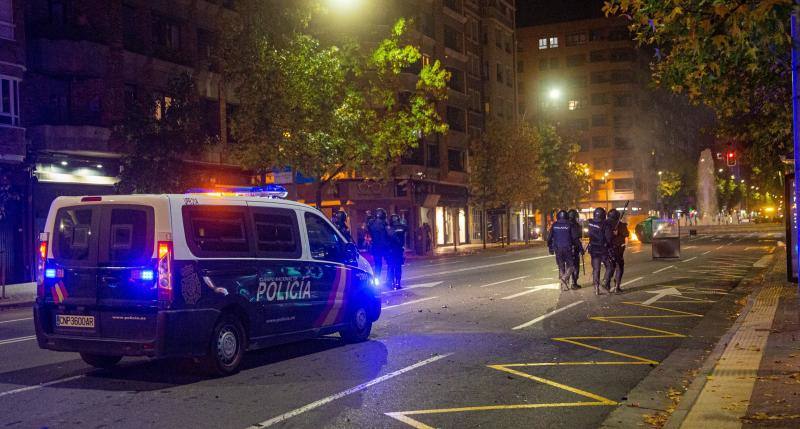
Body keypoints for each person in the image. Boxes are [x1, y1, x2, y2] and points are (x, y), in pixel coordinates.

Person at [547, 210, 582, 292]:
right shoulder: (570, 225)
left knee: (561, 266)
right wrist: (580, 248)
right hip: (567, 248)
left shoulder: (554, 225)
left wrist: (550, 248)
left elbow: (549, 238)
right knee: (571, 266)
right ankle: (564, 279)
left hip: (558, 249)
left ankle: (563, 285)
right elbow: (575, 239)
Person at [604, 208, 629, 294]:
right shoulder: (621, 225)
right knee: (619, 267)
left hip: (607, 249)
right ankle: (616, 287)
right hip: (617, 250)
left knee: (610, 267)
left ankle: (606, 284)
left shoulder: (605, 223)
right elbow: (626, 235)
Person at [587, 207, 611, 295]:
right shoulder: (605, 224)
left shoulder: (590, 223)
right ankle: (605, 282)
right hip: (603, 249)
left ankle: (596, 288)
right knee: (609, 266)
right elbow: (608, 238)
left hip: (593, 249)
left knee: (596, 269)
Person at [367, 208, 389, 285]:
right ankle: (389, 280)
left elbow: (369, 231)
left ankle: (376, 280)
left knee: (377, 264)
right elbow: (389, 235)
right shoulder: (385, 224)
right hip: (385, 246)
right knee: (390, 263)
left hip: (376, 246)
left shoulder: (372, 223)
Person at [387, 214, 408, 289]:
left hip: (391, 250)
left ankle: (391, 283)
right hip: (399, 249)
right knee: (398, 266)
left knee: (391, 266)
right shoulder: (402, 227)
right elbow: (406, 228)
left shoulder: (389, 228)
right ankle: (398, 283)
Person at [567, 209, 583, 289]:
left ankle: (566, 282)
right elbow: (576, 238)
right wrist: (581, 249)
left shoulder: (565, 224)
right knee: (575, 266)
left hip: (566, 249)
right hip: (574, 248)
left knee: (569, 265)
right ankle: (574, 283)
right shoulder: (574, 225)